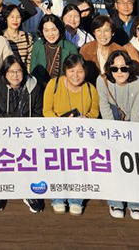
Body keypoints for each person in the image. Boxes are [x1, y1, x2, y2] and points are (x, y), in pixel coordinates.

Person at [0, 56, 44, 213]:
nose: (15, 75)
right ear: (5, 73)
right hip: (2, 133)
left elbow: (38, 112)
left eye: (18, 71)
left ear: (24, 71)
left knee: (30, 156)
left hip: (26, 133)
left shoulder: (34, 86)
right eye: (10, 71)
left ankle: (29, 191)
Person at [43, 54, 99, 216]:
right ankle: (58, 197)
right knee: (57, 164)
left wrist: (85, 119)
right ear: (65, 71)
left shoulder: (90, 89)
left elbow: (94, 111)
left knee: (79, 166)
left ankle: (76, 199)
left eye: (80, 71)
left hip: (81, 136)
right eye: (71, 71)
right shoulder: (54, 84)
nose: (76, 75)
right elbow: (47, 110)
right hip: (58, 134)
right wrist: (62, 123)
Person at [97, 50, 139, 219]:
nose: (119, 73)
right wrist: (113, 135)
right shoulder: (102, 81)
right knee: (112, 164)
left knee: (133, 164)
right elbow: (104, 108)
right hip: (110, 128)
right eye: (115, 69)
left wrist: (130, 137)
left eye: (123, 68)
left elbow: (136, 113)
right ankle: (115, 201)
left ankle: (135, 203)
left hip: (132, 128)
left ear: (129, 68)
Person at [29, 14, 79, 86]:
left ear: (60, 29)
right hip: (41, 88)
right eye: (46, 30)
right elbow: (33, 71)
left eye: (54, 30)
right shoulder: (38, 45)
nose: (50, 34)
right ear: (42, 31)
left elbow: (75, 73)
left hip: (63, 87)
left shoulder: (70, 47)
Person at [1, 4, 34, 72]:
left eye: (18, 17)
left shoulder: (27, 37)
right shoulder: (0, 37)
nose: (15, 20)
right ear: (6, 18)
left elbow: (30, 61)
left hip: (23, 74)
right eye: (12, 17)